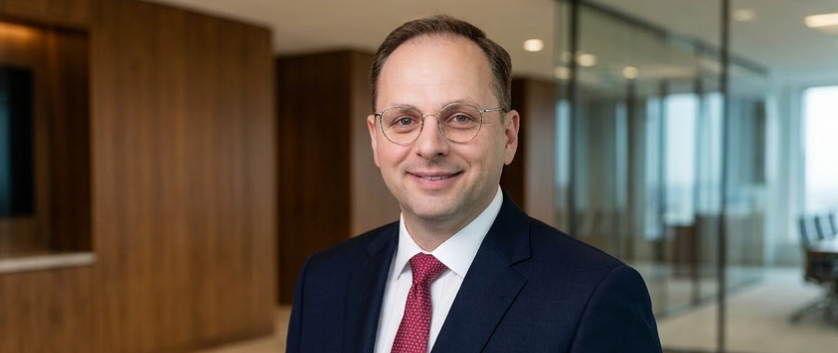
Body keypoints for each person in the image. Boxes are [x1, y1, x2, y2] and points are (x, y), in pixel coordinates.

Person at [286, 15, 662, 353]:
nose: (430, 146)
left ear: (509, 136)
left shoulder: (594, 295)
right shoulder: (323, 278)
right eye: (404, 120)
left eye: (461, 117)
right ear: (375, 138)